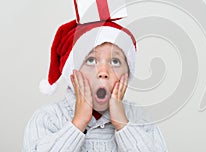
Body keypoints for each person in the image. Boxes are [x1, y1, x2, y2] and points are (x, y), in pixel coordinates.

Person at [22, 18, 168, 150]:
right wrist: (78, 123)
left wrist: (123, 124)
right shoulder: (48, 118)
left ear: (127, 74)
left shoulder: (139, 118)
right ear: (71, 73)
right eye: (91, 60)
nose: (103, 72)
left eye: (115, 62)